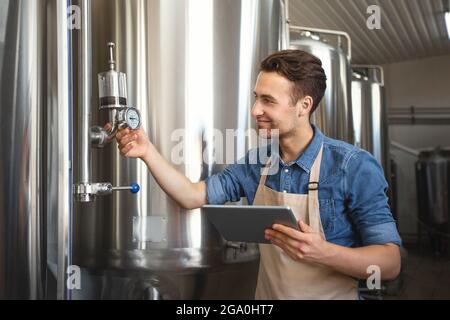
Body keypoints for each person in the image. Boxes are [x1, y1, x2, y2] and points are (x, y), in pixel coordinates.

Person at [113, 50, 402, 300]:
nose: (255, 110)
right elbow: (191, 196)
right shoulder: (257, 163)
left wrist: (322, 252)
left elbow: (390, 263)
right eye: (255, 98)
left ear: (304, 106)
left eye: (268, 100)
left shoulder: (352, 166)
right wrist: (147, 150)